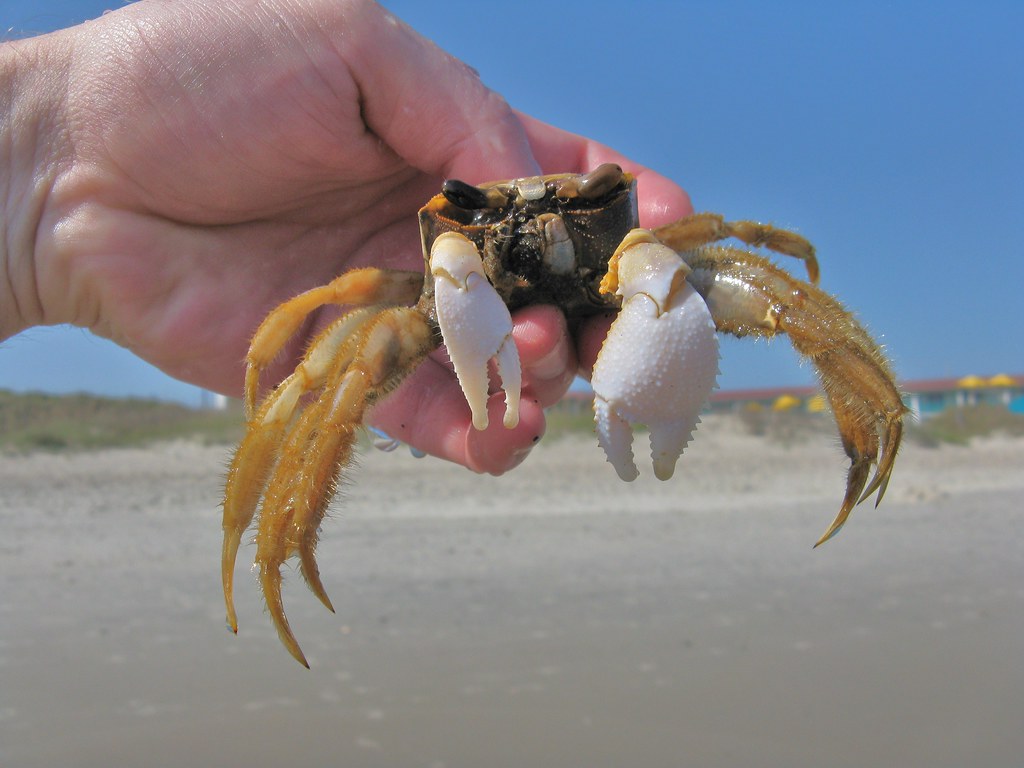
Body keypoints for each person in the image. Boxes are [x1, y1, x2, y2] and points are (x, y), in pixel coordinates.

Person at [0, 0, 692, 474]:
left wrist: (41, 174)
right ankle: (271, 554)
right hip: (438, 287)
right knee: (319, 385)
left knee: (710, 270)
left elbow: (725, 248)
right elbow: (314, 309)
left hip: (610, 275)